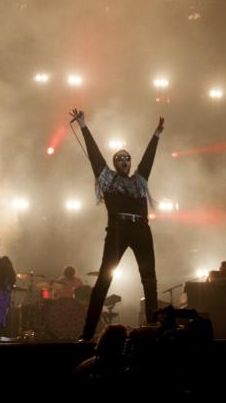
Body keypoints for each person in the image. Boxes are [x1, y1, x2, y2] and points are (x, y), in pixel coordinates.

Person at [70, 107, 164, 341]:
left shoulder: (139, 181)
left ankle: (153, 327)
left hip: (141, 229)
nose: (125, 161)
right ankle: (87, 332)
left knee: (149, 278)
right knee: (104, 279)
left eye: (127, 158)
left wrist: (156, 136)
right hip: (118, 229)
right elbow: (94, 155)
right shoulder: (108, 179)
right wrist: (83, 126)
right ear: (115, 162)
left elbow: (148, 160)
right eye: (120, 158)